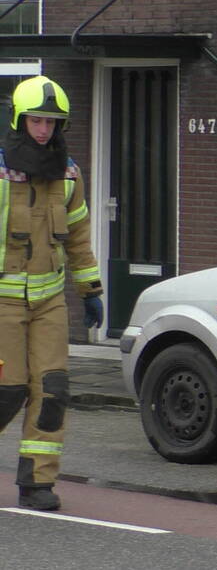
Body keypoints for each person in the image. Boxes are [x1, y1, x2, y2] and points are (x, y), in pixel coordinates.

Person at [0, 75, 103, 511]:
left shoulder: (69, 173)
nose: (44, 130)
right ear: (20, 120)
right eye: (37, 121)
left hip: (49, 303)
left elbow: (78, 235)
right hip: (2, 302)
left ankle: (37, 483)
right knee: (6, 390)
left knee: (53, 390)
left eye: (52, 122)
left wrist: (90, 289)